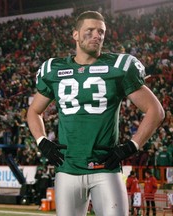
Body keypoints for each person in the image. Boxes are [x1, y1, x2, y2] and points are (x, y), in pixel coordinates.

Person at [26, 10, 165, 216]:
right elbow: (33, 111)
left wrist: (131, 146)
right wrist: (42, 141)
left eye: (101, 31)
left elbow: (156, 110)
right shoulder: (53, 69)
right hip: (68, 168)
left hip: (105, 167)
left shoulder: (118, 67)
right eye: (89, 30)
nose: (96, 35)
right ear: (75, 35)